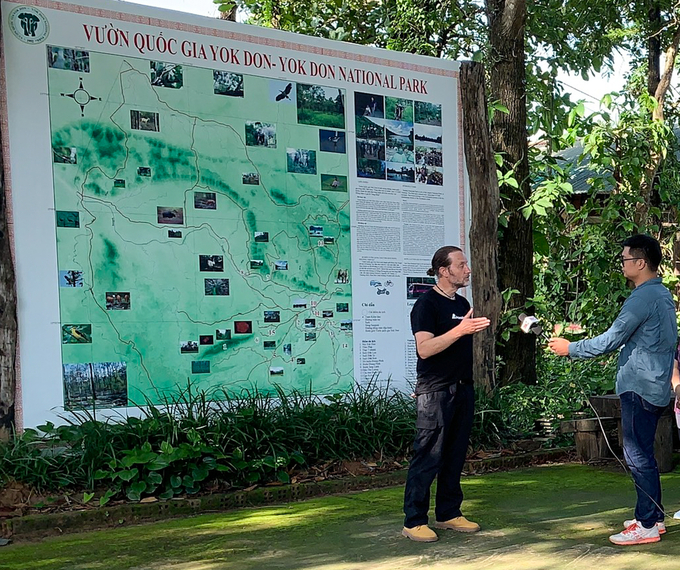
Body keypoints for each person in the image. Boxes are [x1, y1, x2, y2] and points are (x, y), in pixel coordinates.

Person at [548, 234, 677, 546]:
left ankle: (646, 523)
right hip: (654, 384)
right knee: (643, 454)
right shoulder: (661, 295)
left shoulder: (643, 298)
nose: (621, 264)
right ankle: (654, 517)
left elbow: (610, 340)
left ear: (641, 263)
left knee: (636, 456)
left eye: (625, 259)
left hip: (640, 387)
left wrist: (570, 348)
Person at [402, 246, 491, 542]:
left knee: (454, 456)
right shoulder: (426, 305)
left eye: (466, 264)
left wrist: (464, 330)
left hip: (463, 390)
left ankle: (449, 513)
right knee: (428, 457)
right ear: (444, 270)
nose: (467, 269)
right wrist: (459, 331)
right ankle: (414, 520)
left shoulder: (462, 302)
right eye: (461, 265)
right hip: (436, 392)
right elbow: (424, 349)